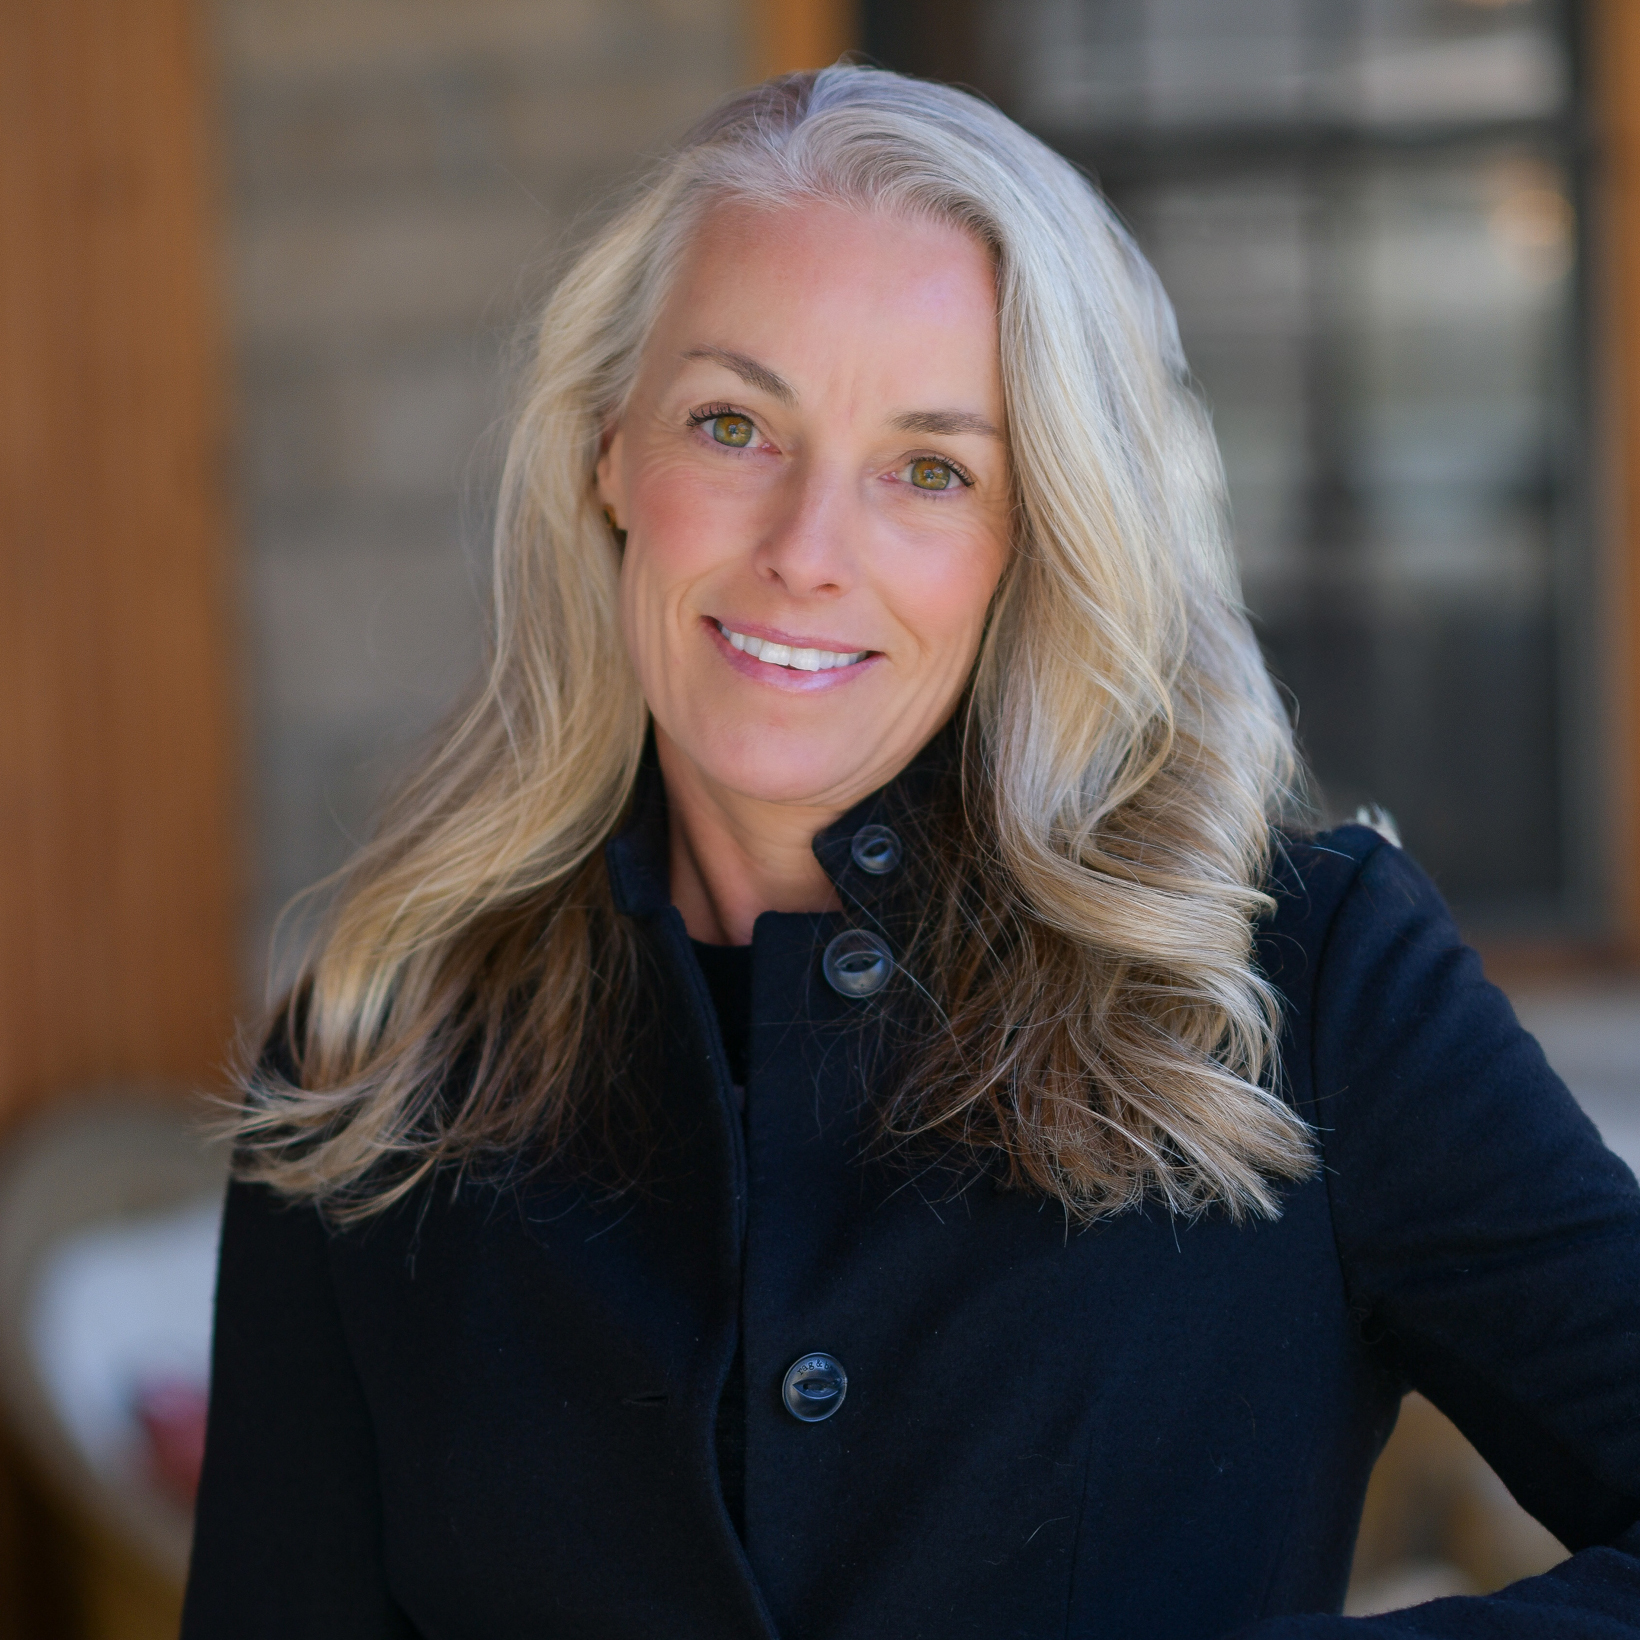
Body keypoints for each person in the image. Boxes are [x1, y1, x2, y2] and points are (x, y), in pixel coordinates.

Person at [181, 67, 1640, 1639]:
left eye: (930, 469)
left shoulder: (1304, 982)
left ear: (1043, 532)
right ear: (609, 452)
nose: (807, 550)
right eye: (733, 424)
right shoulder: (376, 1053)